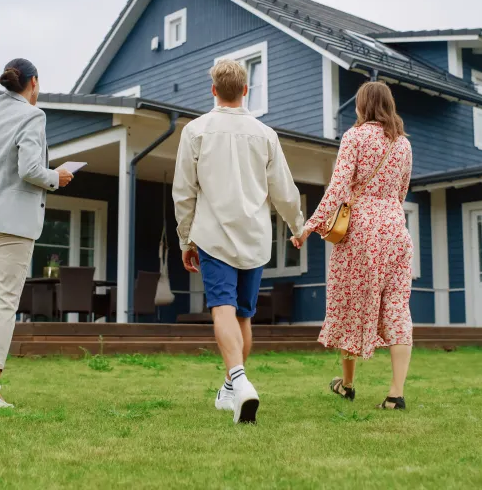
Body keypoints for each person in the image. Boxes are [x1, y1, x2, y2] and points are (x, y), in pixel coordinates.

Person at [172, 59, 305, 424]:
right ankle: (232, 388)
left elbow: (183, 192)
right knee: (244, 316)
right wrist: (297, 227)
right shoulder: (265, 134)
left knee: (222, 308)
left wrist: (186, 239)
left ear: (213, 90)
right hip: (255, 238)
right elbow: (284, 190)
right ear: (246, 90)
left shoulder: (195, 131)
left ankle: (240, 383)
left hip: (214, 237)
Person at [291, 81, 414, 410]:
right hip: (397, 230)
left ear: (363, 106)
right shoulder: (403, 144)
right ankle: (395, 393)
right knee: (398, 309)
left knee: (350, 302)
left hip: (361, 231)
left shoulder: (354, 137)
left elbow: (338, 188)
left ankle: (347, 384)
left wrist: (308, 227)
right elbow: (402, 192)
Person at [0, 58, 74, 408]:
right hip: (13, 220)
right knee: (5, 302)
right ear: (34, 83)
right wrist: (58, 177)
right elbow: (28, 169)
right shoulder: (33, 115)